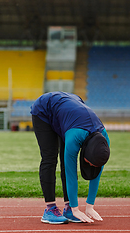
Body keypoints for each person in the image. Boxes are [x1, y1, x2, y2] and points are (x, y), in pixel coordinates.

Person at [30, 91, 110, 224]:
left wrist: (90, 206)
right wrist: (76, 208)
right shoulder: (75, 137)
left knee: (64, 157)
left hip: (69, 112)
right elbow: (70, 172)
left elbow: (98, 171)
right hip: (45, 109)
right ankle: (50, 209)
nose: (89, 167)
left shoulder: (103, 140)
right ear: (85, 154)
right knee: (50, 158)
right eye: (89, 163)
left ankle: (68, 209)